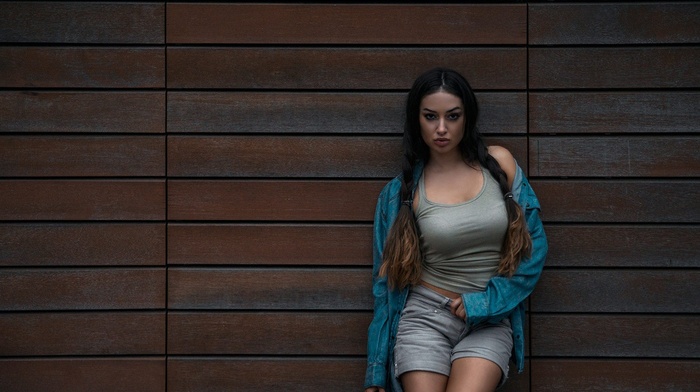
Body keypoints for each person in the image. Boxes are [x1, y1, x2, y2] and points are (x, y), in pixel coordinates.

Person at [364, 68, 547, 392]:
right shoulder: (400, 194)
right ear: (416, 119)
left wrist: (485, 303)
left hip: (488, 320)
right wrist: (376, 368)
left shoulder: (499, 164)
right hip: (423, 318)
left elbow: (534, 248)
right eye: (430, 116)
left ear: (467, 116)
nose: (442, 128)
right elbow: (385, 285)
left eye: (453, 116)